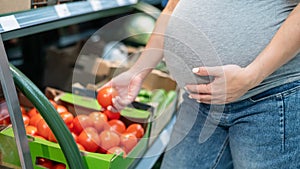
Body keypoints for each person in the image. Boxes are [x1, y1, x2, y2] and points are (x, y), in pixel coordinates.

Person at [101, 0, 300, 168]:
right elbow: (172, 9)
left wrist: (252, 75)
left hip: (268, 99)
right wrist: (138, 71)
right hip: (198, 102)